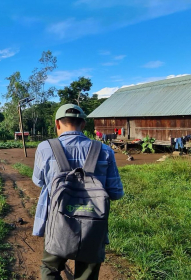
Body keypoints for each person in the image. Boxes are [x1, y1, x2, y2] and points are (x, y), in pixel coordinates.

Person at [32, 104, 124, 280]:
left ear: (57, 124)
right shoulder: (104, 150)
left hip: (57, 223)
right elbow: (116, 193)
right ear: (83, 124)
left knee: (50, 268)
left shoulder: (45, 148)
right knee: (87, 274)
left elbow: (38, 181)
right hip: (93, 226)